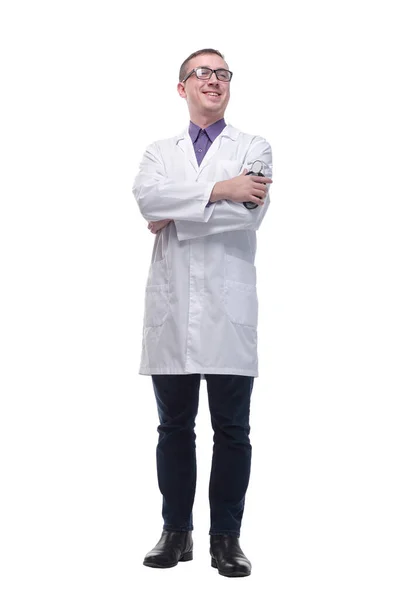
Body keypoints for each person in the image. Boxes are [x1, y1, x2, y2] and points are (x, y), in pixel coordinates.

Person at [132, 48, 273, 578]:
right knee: (173, 428)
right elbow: (147, 202)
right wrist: (217, 190)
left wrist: (178, 210)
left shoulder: (254, 147)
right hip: (171, 309)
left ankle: (226, 539)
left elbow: (247, 218)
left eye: (222, 73)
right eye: (202, 73)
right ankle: (175, 532)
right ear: (182, 87)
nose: (213, 80)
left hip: (229, 310)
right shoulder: (157, 151)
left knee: (232, 430)